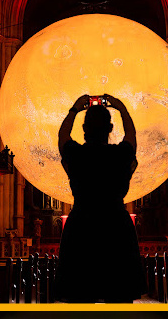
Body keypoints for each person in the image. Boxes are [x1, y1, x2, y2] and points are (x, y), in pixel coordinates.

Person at [54, 94, 144, 302]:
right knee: (119, 298)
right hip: (116, 228)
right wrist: (121, 108)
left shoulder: (76, 155)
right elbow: (131, 134)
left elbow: (62, 136)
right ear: (110, 129)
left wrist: (74, 109)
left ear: (84, 129)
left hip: (82, 228)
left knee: (80, 299)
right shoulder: (121, 155)